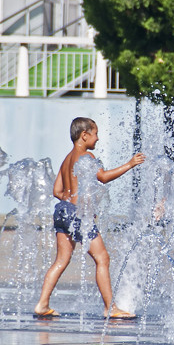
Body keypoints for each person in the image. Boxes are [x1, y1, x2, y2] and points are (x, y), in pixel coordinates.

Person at [34, 116, 145, 319]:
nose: (98, 139)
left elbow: (57, 190)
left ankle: (42, 304)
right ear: (84, 136)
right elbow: (102, 177)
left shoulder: (67, 158)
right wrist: (130, 164)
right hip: (77, 215)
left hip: (62, 211)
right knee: (102, 258)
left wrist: (70, 199)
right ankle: (110, 308)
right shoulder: (86, 157)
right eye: (95, 134)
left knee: (61, 260)